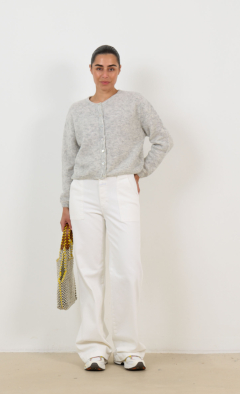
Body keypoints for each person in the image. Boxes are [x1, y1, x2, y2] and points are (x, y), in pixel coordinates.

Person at [60, 45, 174, 371]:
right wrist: (65, 203)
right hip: (83, 193)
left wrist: (140, 171)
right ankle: (94, 349)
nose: (105, 74)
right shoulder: (76, 111)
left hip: (122, 189)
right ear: (91, 70)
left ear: (119, 70)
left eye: (111, 68)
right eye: (99, 67)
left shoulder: (135, 102)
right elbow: (68, 159)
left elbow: (163, 139)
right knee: (89, 270)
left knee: (128, 267)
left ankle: (128, 348)